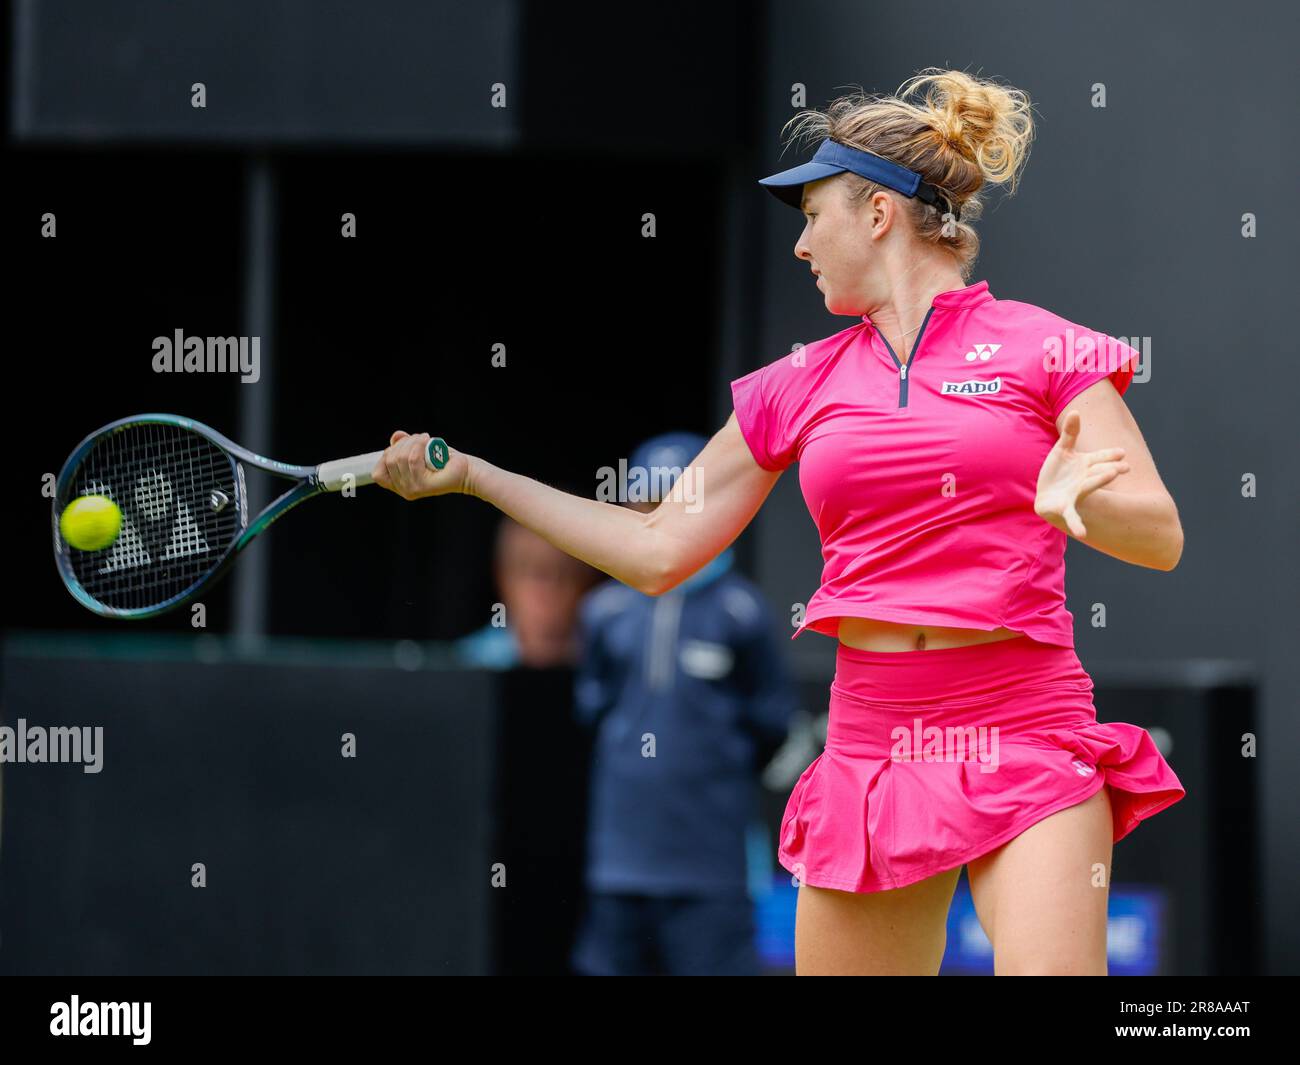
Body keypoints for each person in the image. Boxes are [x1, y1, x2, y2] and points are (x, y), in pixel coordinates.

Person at [370, 66, 1186, 976]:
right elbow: (653, 549)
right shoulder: (798, 383)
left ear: (876, 213)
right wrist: (478, 476)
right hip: (871, 742)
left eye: (811, 215)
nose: (802, 247)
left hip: (1023, 729)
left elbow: (1159, 534)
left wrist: (1076, 497)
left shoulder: (1050, 348)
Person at [566, 432, 799, 975]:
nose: (658, 521)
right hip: (618, 866)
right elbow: (591, 711)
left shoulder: (743, 612)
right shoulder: (603, 613)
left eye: (675, 506)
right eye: (646, 505)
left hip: (711, 869)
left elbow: (771, 724)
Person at [453, 515, 601, 669]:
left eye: (565, 573)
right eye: (536, 574)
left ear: (588, 582)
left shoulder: (611, 668)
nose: (548, 592)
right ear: (502, 578)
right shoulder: (460, 668)